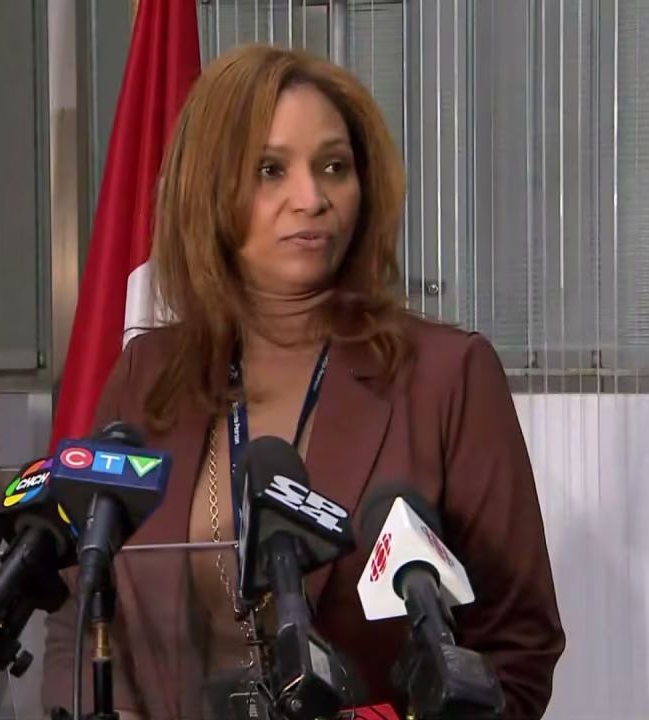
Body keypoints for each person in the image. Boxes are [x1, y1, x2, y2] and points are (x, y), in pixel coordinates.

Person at [41, 43, 564, 719]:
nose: (311, 198)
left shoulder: (446, 376)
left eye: (334, 167)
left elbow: (517, 650)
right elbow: (76, 615)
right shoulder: (148, 375)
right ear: (211, 189)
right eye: (270, 170)